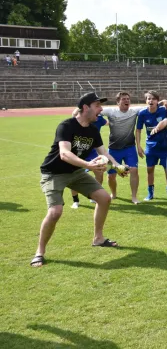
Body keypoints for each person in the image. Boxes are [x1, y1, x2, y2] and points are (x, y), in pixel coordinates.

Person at [31, 92, 129, 267]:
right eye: (97, 106)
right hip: (54, 173)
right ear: (85, 108)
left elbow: (104, 153)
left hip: (75, 172)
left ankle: (98, 238)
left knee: (104, 198)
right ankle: (40, 252)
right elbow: (64, 153)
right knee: (55, 212)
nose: (101, 109)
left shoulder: (93, 130)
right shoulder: (67, 126)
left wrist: (117, 166)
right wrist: (89, 166)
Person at [101, 91, 142, 204]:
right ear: (118, 102)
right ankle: (113, 193)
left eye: (128, 99)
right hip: (113, 149)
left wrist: (164, 102)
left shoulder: (134, 111)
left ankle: (134, 197)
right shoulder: (111, 111)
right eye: (123, 99)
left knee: (134, 170)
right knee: (111, 176)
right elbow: (96, 111)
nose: (126, 101)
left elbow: (151, 106)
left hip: (130, 148)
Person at [135, 90, 167, 201]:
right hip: (150, 146)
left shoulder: (163, 110)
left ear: (157, 100)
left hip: (164, 145)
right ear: (146, 101)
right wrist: (139, 146)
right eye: (148, 99)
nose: (151, 101)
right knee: (150, 169)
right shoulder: (142, 113)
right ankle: (150, 193)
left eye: (153, 99)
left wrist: (165, 101)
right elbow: (138, 130)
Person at [71, 108, 109, 209]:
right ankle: (76, 201)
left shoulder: (98, 120)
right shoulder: (71, 126)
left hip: (93, 152)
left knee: (99, 172)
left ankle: (95, 194)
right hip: (77, 153)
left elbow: (109, 123)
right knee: (74, 177)